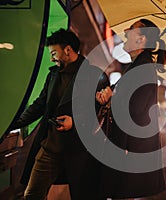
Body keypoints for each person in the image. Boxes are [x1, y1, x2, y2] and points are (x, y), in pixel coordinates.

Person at [10, 28, 110, 199]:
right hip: (50, 146)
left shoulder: (95, 76)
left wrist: (75, 122)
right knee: (32, 193)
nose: (52, 58)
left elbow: (100, 118)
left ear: (68, 50)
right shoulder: (53, 74)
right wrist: (13, 123)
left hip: (80, 151)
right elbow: (40, 105)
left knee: (83, 195)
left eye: (54, 53)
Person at [96, 19, 166, 199]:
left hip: (128, 148)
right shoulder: (137, 66)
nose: (126, 30)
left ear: (141, 40)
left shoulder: (143, 68)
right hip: (125, 146)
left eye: (132, 29)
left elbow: (135, 110)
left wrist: (113, 97)